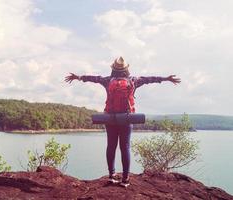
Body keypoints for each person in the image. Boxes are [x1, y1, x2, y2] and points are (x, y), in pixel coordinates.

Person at [64, 56, 181, 187]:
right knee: (125, 148)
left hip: (110, 118)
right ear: (127, 69)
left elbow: (93, 79)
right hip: (126, 118)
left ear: (113, 69)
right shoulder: (133, 80)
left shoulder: (108, 80)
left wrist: (78, 77)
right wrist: (166, 79)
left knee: (111, 146)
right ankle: (125, 179)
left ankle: (111, 176)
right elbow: (150, 79)